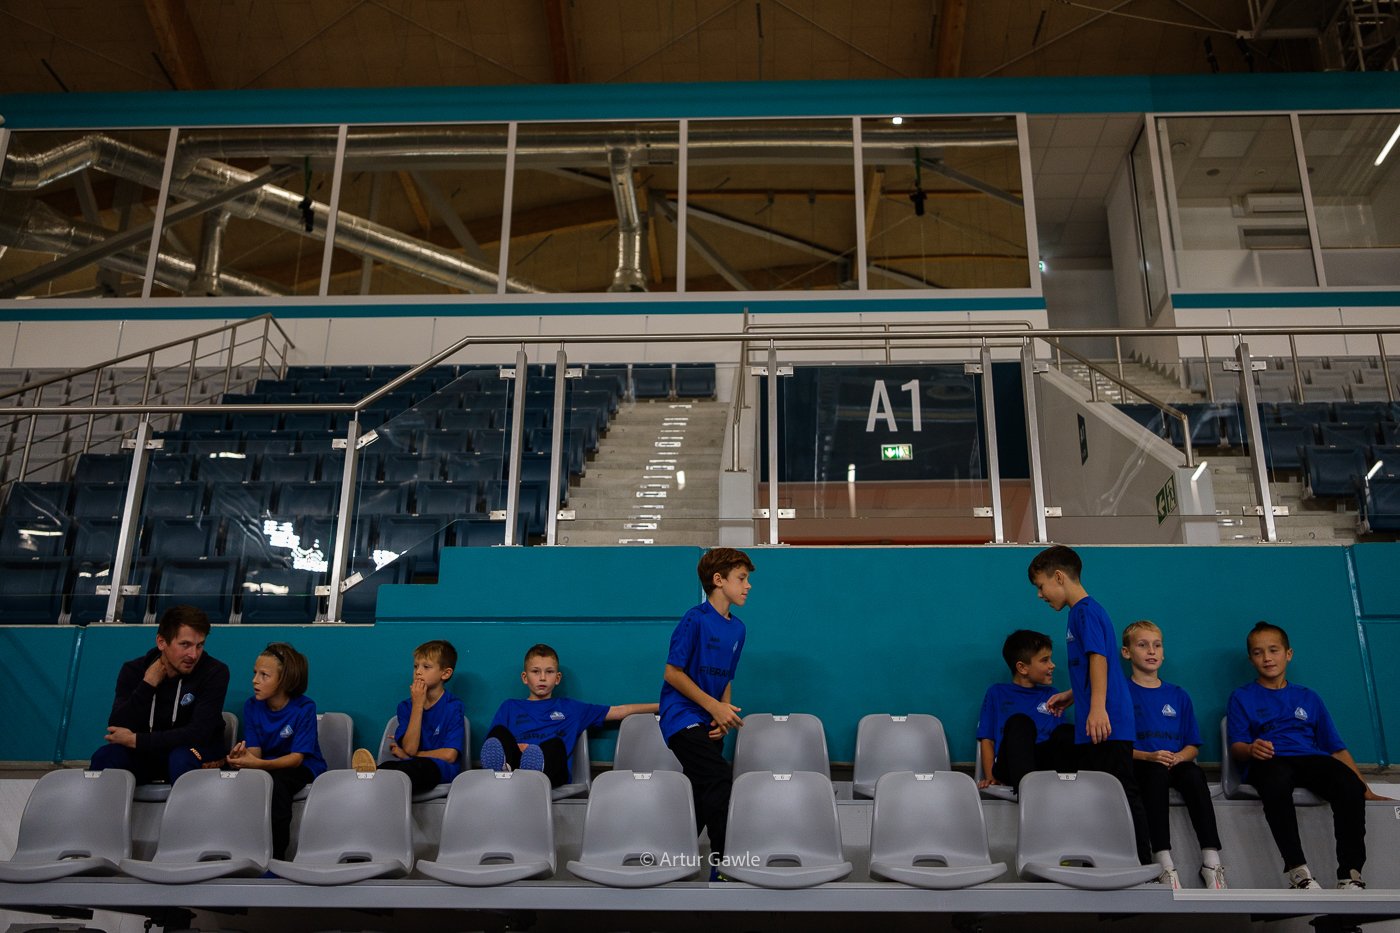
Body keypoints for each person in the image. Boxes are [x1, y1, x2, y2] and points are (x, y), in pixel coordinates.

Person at [1227, 621, 1388, 890]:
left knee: (1349, 786)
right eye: (1258, 652)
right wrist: (1252, 748)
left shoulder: (1308, 697)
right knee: (1276, 782)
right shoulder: (1241, 697)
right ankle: (1297, 871)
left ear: (1288, 654)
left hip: (1309, 759)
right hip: (1269, 761)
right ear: (1251, 659)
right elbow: (1237, 747)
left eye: (1273, 650)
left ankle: (1350, 874)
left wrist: (1364, 788)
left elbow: (1335, 748)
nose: (1267, 658)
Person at [1028, 544, 1151, 865]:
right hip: (1097, 721)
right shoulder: (1078, 614)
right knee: (1098, 796)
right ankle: (1103, 863)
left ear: (1059, 577)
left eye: (1041, 586)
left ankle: (1141, 866)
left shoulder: (1085, 611)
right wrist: (1072, 694)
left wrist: (1097, 708)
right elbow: (1092, 665)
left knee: (1121, 794)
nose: (1040, 595)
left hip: (1106, 723)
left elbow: (1099, 658)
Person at [658, 547, 751, 875]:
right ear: (719, 580)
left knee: (702, 792)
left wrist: (721, 715)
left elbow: (726, 678)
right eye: (741, 578)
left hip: (710, 719)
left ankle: (671, 859)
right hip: (681, 716)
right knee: (719, 777)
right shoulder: (694, 619)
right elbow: (672, 673)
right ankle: (723, 865)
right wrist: (712, 706)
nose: (748, 585)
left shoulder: (739, 629)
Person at [1121, 620, 1227, 889]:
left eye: (1157, 645)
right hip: (1144, 763)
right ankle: (1163, 862)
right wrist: (1150, 756)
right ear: (1126, 652)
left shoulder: (1178, 695)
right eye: (1143, 645)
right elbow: (1117, 748)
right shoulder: (1120, 694)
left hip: (1175, 762)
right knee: (1156, 775)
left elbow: (1192, 746)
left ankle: (1211, 861)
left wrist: (1179, 757)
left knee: (1194, 775)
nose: (1151, 651)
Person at [480, 643, 658, 787]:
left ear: (557, 678)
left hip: (552, 773)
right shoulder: (510, 707)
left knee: (555, 744)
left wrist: (663, 706)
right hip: (516, 767)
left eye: (549, 672)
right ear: (525, 678)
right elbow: (495, 744)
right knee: (499, 733)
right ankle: (504, 771)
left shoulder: (571, 708)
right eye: (536, 672)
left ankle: (535, 772)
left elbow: (619, 711)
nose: (542, 678)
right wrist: (520, 749)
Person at [89, 605, 229, 784]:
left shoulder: (214, 672)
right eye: (185, 645)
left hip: (194, 751)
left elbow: (198, 733)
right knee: (106, 756)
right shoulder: (134, 670)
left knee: (181, 758)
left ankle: (189, 805)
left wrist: (136, 740)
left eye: (199, 645)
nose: (193, 655)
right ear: (162, 642)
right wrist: (147, 685)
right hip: (148, 754)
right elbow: (117, 726)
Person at [227, 642, 326, 861]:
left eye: (264, 675)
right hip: (268, 766)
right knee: (231, 776)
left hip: (302, 767)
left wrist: (258, 765)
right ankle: (235, 852)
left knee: (278, 784)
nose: (255, 680)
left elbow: (296, 759)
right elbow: (255, 754)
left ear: (284, 680)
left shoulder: (305, 707)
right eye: (255, 673)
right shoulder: (252, 706)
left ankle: (276, 858)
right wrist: (242, 760)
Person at [351, 640, 464, 795]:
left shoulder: (454, 706)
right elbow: (410, 747)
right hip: (409, 764)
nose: (418, 672)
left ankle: (374, 787)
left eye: (426, 667)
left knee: (411, 770)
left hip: (438, 769)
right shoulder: (405, 707)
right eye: (416, 666)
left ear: (445, 673)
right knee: (387, 768)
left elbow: (449, 756)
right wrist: (418, 705)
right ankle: (366, 784)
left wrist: (413, 755)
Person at [976, 629, 1074, 794]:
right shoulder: (997, 693)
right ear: (1022, 667)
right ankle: (1028, 794)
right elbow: (987, 739)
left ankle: (1069, 790)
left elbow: (1061, 742)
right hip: (1010, 766)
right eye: (1045, 660)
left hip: (1045, 769)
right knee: (1020, 723)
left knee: (1067, 732)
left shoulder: (1053, 695)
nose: (1052, 665)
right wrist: (990, 776)